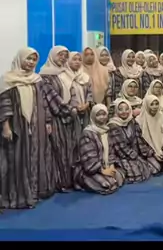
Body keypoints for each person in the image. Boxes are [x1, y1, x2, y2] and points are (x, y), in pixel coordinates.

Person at [0, 47, 56, 209]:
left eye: (34, 60)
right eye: (28, 59)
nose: (31, 62)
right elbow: (4, 104)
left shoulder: (36, 79)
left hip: (36, 124)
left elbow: (44, 102)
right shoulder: (7, 80)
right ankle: (19, 195)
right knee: (17, 159)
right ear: (20, 59)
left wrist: (47, 122)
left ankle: (34, 191)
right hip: (18, 126)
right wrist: (5, 126)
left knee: (35, 156)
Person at [40, 45, 77, 191]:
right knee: (58, 150)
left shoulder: (66, 73)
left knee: (70, 148)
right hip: (57, 118)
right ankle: (60, 182)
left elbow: (73, 92)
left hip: (70, 117)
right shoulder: (45, 76)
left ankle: (69, 180)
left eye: (65, 56)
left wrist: (73, 107)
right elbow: (50, 98)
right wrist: (69, 110)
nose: (63, 58)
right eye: (60, 55)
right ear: (52, 56)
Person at [73, 104, 125, 194]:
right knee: (108, 184)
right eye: (98, 115)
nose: (102, 117)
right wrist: (102, 170)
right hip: (90, 169)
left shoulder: (107, 130)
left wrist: (111, 166)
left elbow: (111, 151)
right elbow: (89, 158)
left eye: (104, 114)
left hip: (105, 166)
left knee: (119, 177)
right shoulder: (88, 133)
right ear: (93, 116)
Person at [108, 99, 163, 182]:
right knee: (137, 174)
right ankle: (120, 172)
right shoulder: (113, 125)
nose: (124, 112)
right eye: (120, 109)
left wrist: (151, 153)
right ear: (116, 111)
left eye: (126, 109)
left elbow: (141, 140)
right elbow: (121, 148)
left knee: (156, 167)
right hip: (122, 156)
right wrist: (137, 158)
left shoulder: (132, 121)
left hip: (137, 154)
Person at [135, 94, 163, 171]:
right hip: (149, 153)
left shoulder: (161, 116)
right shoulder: (139, 121)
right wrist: (153, 153)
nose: (155, 106)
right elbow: (141, 143)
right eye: (152, 104)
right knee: (156, 168)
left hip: (162, 150)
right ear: (146, 105)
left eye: (156, 104)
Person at [66, 51, 94, 142]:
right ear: (68, 61)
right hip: (70, 113)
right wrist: (75, 106)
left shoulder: (85, 77)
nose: (77, 62)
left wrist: (87, 104)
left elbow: (90, 92)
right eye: (74, 59)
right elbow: (64, 95)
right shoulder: (64, 77)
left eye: (79, 60)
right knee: (73, 138)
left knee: (85, 137)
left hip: (85, 111)